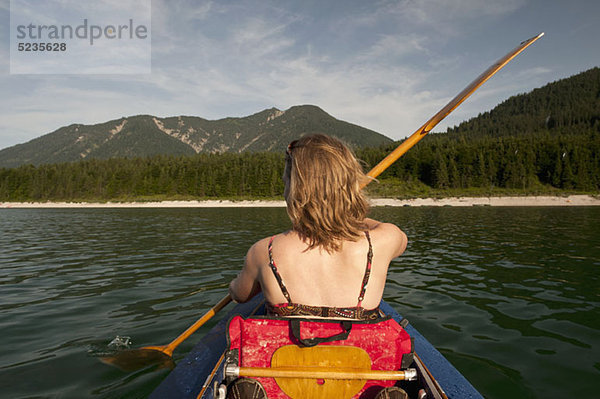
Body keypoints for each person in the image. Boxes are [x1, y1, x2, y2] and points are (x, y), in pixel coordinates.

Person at [229, 134, 407, 319]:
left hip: (291, 346)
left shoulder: (265, 251)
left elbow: (240, 295)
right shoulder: (384, 239)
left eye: (285, 183)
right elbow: (399, 240)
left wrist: (233, 286)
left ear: (294, 191)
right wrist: (348, 213)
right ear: (349, 185)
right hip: (358, 347)